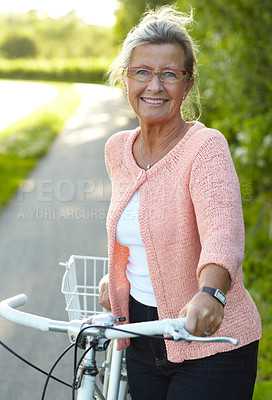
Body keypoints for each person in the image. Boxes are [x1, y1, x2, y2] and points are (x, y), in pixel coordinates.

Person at [99, 5, 261, 400]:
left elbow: (222, 236)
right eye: (142, 72)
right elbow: (139, 227)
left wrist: (211, 294)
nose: (154, 86)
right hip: (139, 337)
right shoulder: (118, 149)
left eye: (169, 74)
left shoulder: (205, 148)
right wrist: (116, 280)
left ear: (187, 85)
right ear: (126, 80)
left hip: (211, 341)